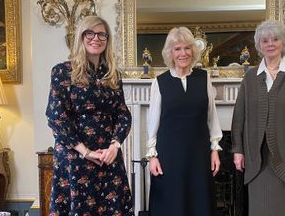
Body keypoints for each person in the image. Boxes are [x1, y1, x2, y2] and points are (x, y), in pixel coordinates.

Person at [45, 16, 134, 216]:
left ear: (108, 39)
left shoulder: (113, 74)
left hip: (108, 157)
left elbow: (123, 114)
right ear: (81, 37)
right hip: (75, 156)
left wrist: (115, 146)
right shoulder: (62, 72)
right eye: (90, 33)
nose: (96, 38)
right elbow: (56, 117)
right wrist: (85, 152)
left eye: (102, 34)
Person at [231, 20, 285, 216]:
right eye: (265, 40)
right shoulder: (250, 78)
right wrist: (238, 151)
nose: (270, 44)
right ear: (259, 45)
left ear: (283, 43)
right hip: (257, 161)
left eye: (275, 39)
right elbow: (239, 118)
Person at [146, 26, 223, 216]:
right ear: (170, 53)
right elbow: (152, 122)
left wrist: (215, 149)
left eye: (187, 48)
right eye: (177, 48)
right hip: (168, 156)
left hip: (198, 154)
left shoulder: (204, 78)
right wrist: (152, 156)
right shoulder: (159, 82)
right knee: (171, 206)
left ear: (193, 51)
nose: (183, 53)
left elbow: (212, 116)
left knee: (200, 204)